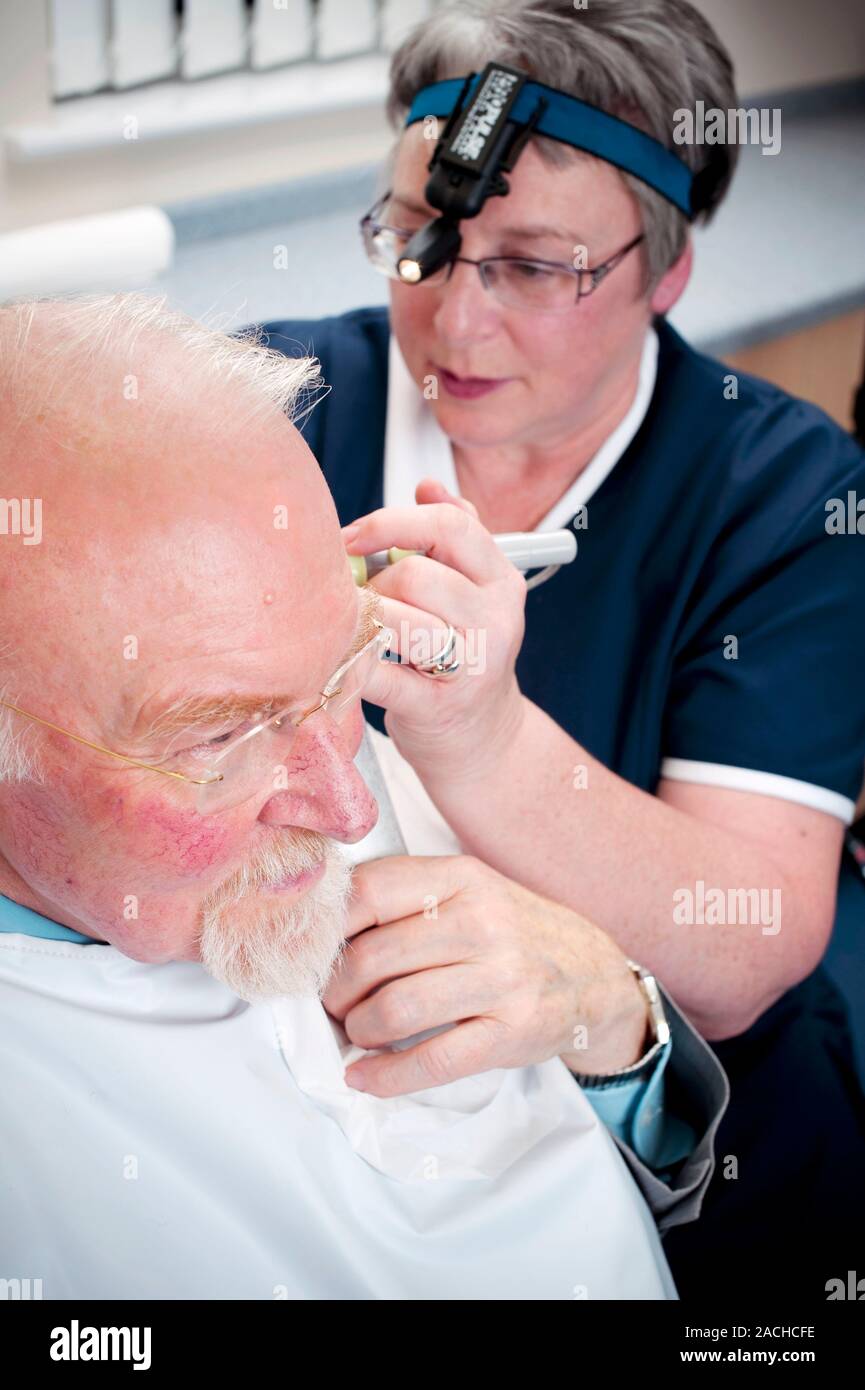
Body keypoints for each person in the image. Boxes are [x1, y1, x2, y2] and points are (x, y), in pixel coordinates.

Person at [256, 0, 865, 1297]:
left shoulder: (782, 490)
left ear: (665, 269)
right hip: (329, 1120)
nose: (454, 324)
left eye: (534, 267)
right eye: (421, 237)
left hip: (682, 1144)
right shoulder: (267, 414)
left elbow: (748, 938)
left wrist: (476, 732)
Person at [0, 293, 727, 1301]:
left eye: (343, 667)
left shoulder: (327, 734)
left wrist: (617, 1032)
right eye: (218, 741)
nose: (348, 811)